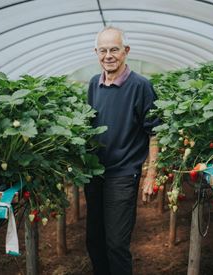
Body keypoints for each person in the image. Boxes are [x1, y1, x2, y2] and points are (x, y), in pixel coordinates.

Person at [85, 26, 159, 275]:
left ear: (126, 51)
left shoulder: (141, 86)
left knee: (116, 244)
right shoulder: (94, 84)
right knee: (94, 241)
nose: (108, 55)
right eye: (103, 50)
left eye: (114, 49)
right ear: (96, 53)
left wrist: (151, 175)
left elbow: (155, 132)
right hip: (95, 173)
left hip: (123, 175)